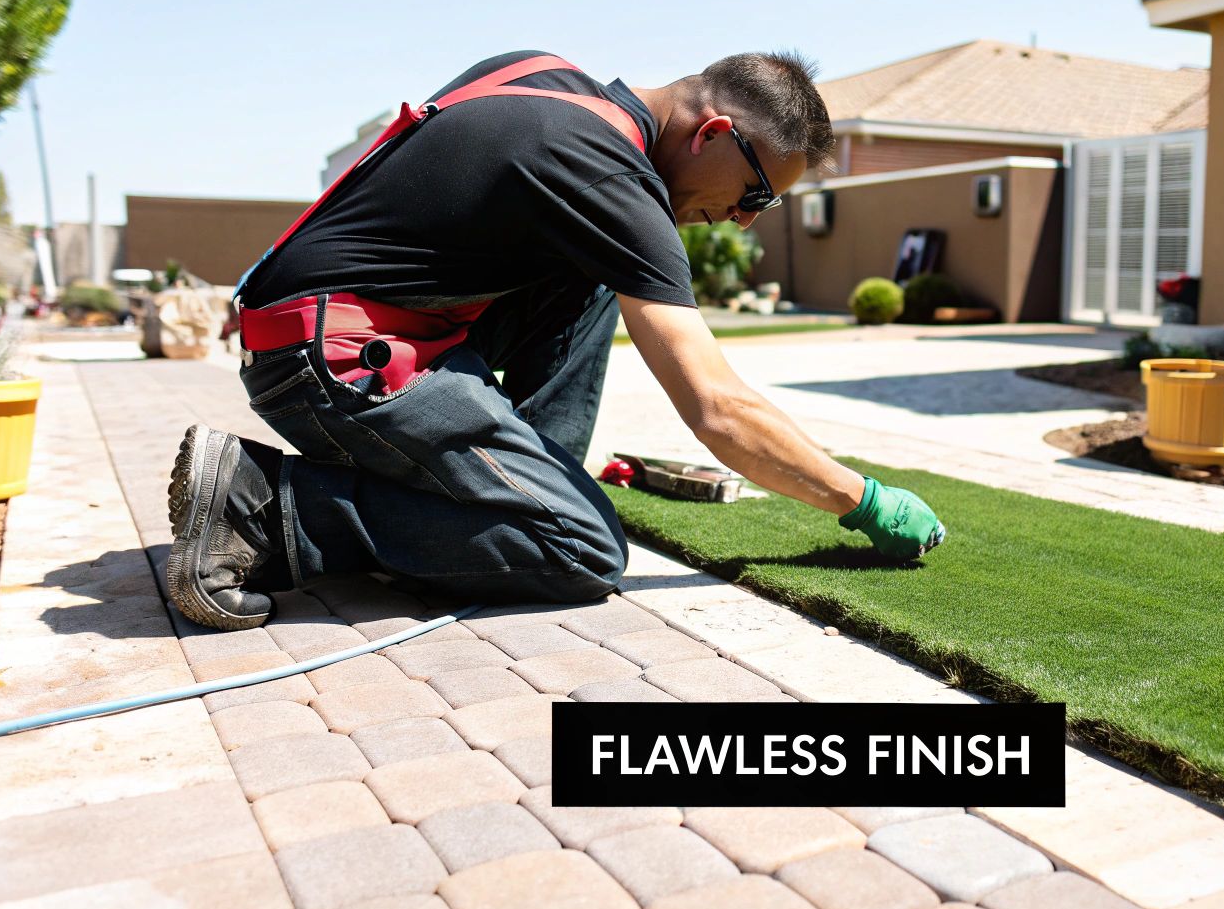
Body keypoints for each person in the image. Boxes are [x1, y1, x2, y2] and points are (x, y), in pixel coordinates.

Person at [164, 50, 945, 632]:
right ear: (713, 133)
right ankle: (266, 504)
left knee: (597, 276)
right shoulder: (606, 172)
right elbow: (718, 409)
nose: (743, 221)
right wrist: (862, 500)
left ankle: (519, 496)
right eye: (755, 196)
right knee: (582, 550)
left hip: (326, 331)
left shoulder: (538, 74)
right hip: (339, 361)